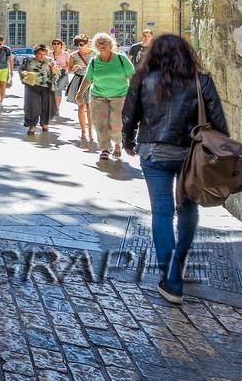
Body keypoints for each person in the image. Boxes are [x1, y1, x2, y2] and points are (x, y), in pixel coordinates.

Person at [122, 34, 228, 305]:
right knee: (188, 208)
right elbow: (218, 122)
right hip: (191, 155)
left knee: (161, 212)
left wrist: (128, 141)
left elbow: (129, 115)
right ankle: (179, 259)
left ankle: (171, 281)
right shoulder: (201, 81)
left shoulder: (142, 79)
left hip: (154, 151)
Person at [82, 32, 135, 161]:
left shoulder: (121, 59)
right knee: (100, 124)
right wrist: (79, 93)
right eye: (99, 43)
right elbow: (88, 78)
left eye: (105, 42)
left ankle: (118, 142)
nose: (102, 45)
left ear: (110, 44)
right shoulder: (94, 61)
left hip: (120, 96)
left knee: (117, 124)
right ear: (95, 46)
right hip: (98, 96)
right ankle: (105, 149)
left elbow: (133, 77)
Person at [17, 45, 60, 134]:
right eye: (40, 54)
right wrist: (23, 74)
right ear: (35, 53)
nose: (42, 56)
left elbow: (57, 73)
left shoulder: (50, 60)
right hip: (32, 86)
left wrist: (53, 67)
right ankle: (32, 126)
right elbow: (21, 69)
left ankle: (45, 124)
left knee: (46, 106)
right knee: (32, 107)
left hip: (47, 86)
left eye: (44, 54)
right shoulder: (28, 60)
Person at [67, 35, 95, 143]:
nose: (79, 47)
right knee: (81, 107)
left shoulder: (94, 54)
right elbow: (69, 69)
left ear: (87, 43)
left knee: (90, 108)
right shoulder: (74, 55)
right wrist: (74, 68)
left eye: (81, 44)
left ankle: (91, 132)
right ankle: (83, 131)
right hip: (79, 81)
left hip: (91, 81)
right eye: (77, 45)